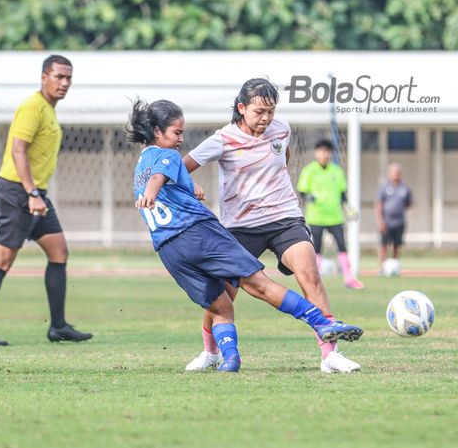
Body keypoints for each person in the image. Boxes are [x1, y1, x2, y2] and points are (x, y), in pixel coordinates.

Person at [127, 98, 363, 373]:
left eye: (270, 111)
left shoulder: (142, 164)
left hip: (169, 248)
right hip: (203, 233)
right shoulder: (178, 153)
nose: (181, 139)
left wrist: (189, 188)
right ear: (157, 131)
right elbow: (161, 177)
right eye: (177, 133)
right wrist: (152, 195)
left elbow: (162, 178)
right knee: (257, 284)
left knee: (221, 304)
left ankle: (229, 360)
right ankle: (321, 322)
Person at [0, 55, 92, 346]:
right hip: (17, 193)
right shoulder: (32, 107)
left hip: (35, 194)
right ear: (44, 77)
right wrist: (32, 192)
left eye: (68, 77)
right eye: (59, 76)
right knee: (3, 260)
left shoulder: (48, 109)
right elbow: (18, 151)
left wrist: (37, 194)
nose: (64, 83)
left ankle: (58, 326)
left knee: (59, 251)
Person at [297, 139, 364, 290]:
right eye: (321, 151)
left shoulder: (337, 171)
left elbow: (342, 194)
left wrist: (348, 208)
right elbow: (302, 192)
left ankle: (349, 278)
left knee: (342, 246)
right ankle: (314, 279)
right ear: (316, 153)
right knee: (317, 249)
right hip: (316, 217)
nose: (324, 154)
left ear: (331, 153)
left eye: (327, 152)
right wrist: (309, 197)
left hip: (335, 217)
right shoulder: (309, 171)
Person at [375, 163, 412, 265]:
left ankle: (395, 265)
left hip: (399, 222)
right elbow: (379, 205)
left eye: (397, 172)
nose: (395, 174)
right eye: (393, 172)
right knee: (384, 245)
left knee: (397, 245)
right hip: (386, 222)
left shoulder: (405, 188)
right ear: (389, 174)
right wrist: (381, 221)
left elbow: (408, 203)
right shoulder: (384, 188)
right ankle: (381, 267)